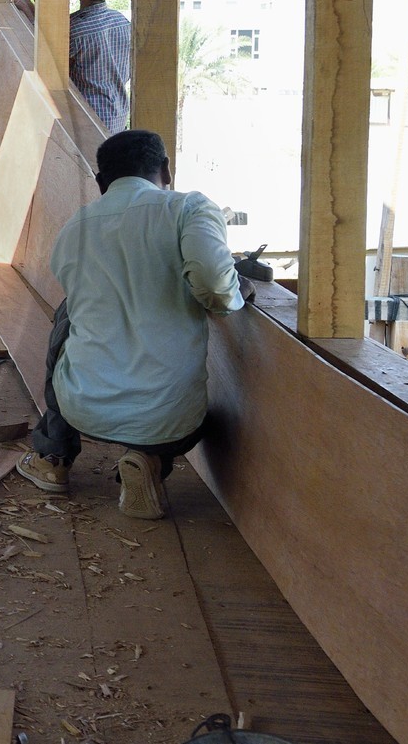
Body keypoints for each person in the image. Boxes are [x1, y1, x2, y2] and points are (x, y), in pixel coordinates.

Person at [14, 130, 251, 519]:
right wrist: (228, 293)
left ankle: (52, 458)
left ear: (100, 182)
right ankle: (147, 461)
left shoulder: (76, 226)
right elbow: (216, 287)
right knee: (171, 403)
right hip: (171, 424)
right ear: (166, 171)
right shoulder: (188, 208)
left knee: (68, 314)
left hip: (82, 409)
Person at [13, 0, 131, 132]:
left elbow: (46, 59)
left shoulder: (75, 30)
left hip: (89, 125)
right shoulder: (123, 23)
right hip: (117, 122)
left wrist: (26, 11)